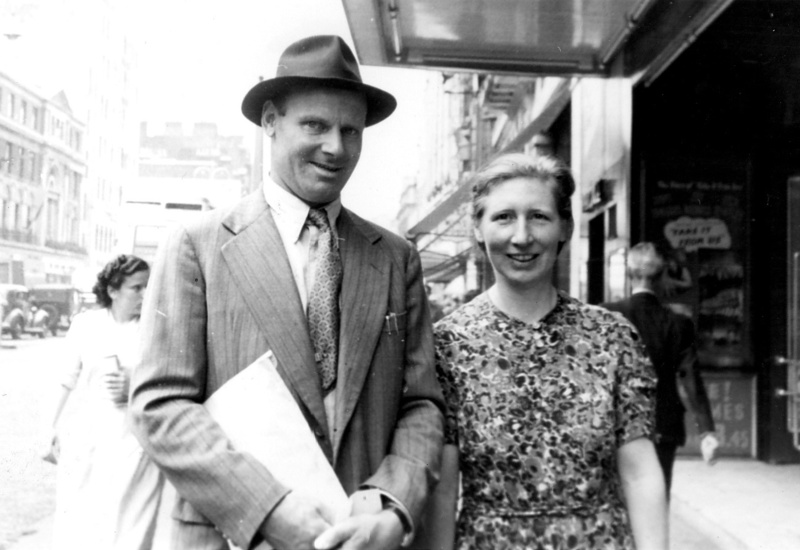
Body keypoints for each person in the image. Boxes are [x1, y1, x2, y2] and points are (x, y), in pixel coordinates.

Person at [129, 35, 444, 550]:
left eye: (351, 130)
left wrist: (393, 505)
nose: (336, 148)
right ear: (271, 121)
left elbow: (422, 404)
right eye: (315, 125)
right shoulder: (196, 245)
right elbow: (159, 404)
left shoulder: (395, 257)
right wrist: (267, 508)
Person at [434, 153, 667, 550]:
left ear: (565, 227)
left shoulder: (612, 337)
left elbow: (640, 473)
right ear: (477, 228)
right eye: (504, 217)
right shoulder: (447, 344)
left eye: (539, 217)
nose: (522, 236)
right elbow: (442, 490)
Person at [40, 254, 163, 549]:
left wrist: (135, 385)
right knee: (81, 521)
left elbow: (168, 378)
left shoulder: (154, 329)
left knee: (128, 525)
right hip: (90, 438)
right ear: (112, 290)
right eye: (136, 287)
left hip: (135, 439)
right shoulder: (86, 325)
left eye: (149, 286)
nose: (145, 294)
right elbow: (64, 379)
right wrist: (47, 427)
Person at [602, 242, 719, 492]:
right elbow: (690, 377)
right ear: (662, 276)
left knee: (618, 501)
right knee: (657, 497)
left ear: (629, 273)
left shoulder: (607, 316)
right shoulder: (679, 323)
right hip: (663, 426)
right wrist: (706, 431)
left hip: (616, 426)